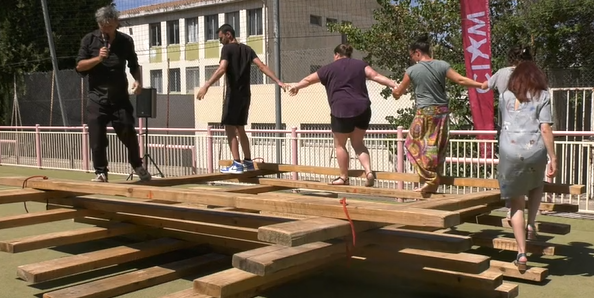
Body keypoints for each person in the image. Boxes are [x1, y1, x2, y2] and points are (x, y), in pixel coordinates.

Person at [288, 44, 397, 187]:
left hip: (341, 109)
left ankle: (344, 177)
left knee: (340, 145)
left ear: (336, 55)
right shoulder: (360, 65)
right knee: (358, 143)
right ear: (349, 55)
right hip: (362, 109)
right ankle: (369, 171)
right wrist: (394, 84)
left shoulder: (328, 68)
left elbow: (309, 79)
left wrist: (296, 86)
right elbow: (375, 76)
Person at [392, 35, 489, 194]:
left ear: (417, 53)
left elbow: (399, 91)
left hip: (425, 112)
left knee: (411, 144)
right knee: (436, 146)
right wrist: (480, 84)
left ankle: (430, 179)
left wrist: (395, 93)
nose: (412, 59)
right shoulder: (442, 65)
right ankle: (431, 182)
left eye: (411, 56)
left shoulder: (412, 70)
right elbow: (460, 80)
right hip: (442, 112)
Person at [75, 5, 150, 183]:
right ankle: (101, 172)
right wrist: (98, 59)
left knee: (128, 131)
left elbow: (133, 64)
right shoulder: (89, 40)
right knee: (97, 137)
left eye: (109, 25)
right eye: (102, 26)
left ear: (116, 23)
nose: (106, 29)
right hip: (96, 97)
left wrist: (138, 81)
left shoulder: (126, 41)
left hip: (119, 98)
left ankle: (137, 165)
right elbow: (79, 67)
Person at [196, 24, 285, 174]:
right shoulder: (247, 50)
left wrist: (207, 85)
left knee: (229, 127)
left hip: (233, 95)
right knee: (240, 128)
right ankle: (248, 162)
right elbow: (262, 66)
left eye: (221, 37)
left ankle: (237, 163)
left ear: (228, 34)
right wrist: (279, 82)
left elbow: (222, 68)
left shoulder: (227, 49)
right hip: (245, 95)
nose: (220, 41)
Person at [496, 60, 558, 272]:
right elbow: (545, 129)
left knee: (516, 203)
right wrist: (553, 157)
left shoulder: (504, 97)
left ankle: (521, 254)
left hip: (509, 152)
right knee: (537, 183)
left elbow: (503, 123)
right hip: (534, 151)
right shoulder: (543, 96)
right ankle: (531, 223)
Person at [489, 46, 534, 213]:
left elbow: (485, 85)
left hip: (506, 126)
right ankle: (524, 196)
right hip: (527, 125)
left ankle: (510, 201)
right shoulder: (530, 74)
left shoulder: (501, 73)